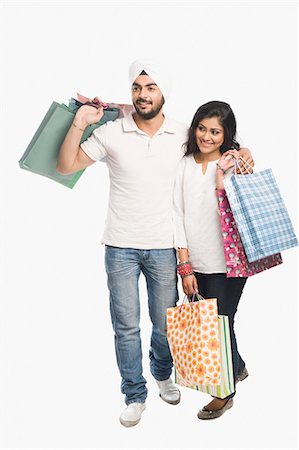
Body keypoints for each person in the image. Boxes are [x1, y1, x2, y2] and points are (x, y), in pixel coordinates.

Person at [56, 61, 253, 427]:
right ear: (131, 93)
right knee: (126, 326)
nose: (143, 94)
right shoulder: (114, 132)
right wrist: (81, 121)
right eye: (137, 88)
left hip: (166, 248)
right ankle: (134, 393)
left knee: (168, 325)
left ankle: (164, 374)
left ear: (164, 91)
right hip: (120, 246)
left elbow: (221, 142)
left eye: (151, 87)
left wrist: (244, 153)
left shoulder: (182, 134)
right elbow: (66, 165)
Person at [173, 100, 249, 420]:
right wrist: (184, 263)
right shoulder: (184, 163)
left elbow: (243, 206)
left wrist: (235, 164)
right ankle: (239, 366)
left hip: (231, 261)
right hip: (197, 260)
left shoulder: (234, 162)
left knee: (218, 323)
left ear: (226, 134)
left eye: (215, 131)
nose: (207, 136)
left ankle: (224, 392)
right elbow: (176, 214)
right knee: (217, 322)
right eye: (202, 128)